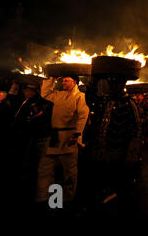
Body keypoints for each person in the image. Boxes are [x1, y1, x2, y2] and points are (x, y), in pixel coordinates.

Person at [82, 75, 142, 214]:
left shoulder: (129, 103)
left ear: (121, 86)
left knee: (119, 184)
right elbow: (89, 98)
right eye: (110, 84)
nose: (112, 87)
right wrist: (95, 79)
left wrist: (132, 156)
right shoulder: (104, 100)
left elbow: (136, 130)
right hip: (100, 150)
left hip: (117, 151)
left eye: (115, 84)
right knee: (100, 180)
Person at [36, 75, 89, 211]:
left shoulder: (80, 96)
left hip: (69, 136)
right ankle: (44, 196)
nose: (63, 83)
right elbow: (45, 93)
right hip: (54, 136)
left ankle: (67, 198)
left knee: (69, 170)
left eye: (66, 80)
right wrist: (52, 79)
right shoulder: (58, 94)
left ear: (74, 82)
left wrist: (77, 134)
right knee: (45, 168)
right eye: (62, 80)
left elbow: (83, 115)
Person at [13, 81, 53, 209]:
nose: (24, 92)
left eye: (26, 90)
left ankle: (38, 198)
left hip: (36, 137)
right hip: (33, 137)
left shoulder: (36, 103)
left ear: (32, 91)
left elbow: (24, 120)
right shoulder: (31, 102)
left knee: (35, 167)